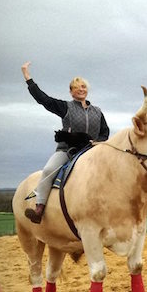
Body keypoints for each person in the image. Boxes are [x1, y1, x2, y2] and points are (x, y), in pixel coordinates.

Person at [21, 61, 110, 223]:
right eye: (77, 87)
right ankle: (39, 207)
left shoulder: (98, 111)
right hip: (68, 151)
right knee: (48, 169)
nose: (81, 89)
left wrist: (99, 142)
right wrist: (28, 78)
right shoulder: (65, 107)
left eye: (83, 87)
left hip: (92, 151)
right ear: (71, 92)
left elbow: (105, 132)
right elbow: (44, 99)